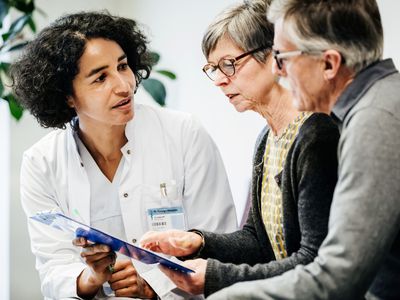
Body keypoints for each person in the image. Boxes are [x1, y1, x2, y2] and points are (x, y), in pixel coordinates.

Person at [11, 11, 238, 300]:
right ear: (67, 95)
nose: (123, 85)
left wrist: (152, 286)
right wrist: (91, 277)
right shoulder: (41, 163)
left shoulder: (183, 134)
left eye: (123, 66)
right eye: (100, 78)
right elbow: (53, 266)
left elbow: (220, 242)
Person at [140, 0, 339, 297]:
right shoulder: (266, 139)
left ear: (275, 56)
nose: (219, 80)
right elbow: (258, 241)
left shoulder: (315, 134)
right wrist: (197, 242)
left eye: (228, 64)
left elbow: (315, 260)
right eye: (213, 68)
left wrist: (217, 276)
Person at [206, 0, 400, 299]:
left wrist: (226, 294)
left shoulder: (374, 121)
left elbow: (339, 274)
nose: (278, 69)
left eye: (283, 56)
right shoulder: (379, 102)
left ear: (329, 63)